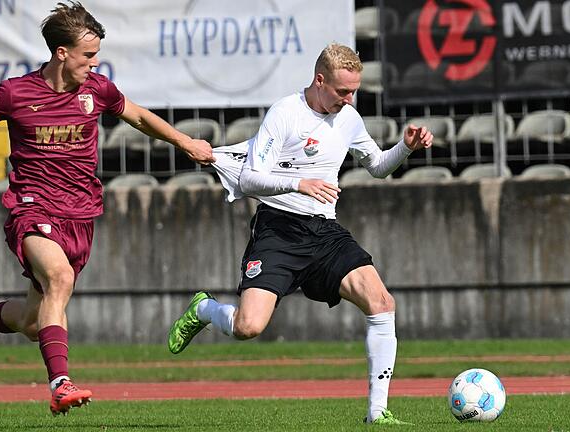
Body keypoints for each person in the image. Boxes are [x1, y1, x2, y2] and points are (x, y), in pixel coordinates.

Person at [0, 1, 214, 416]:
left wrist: (184, 142)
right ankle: (60, 384)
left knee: (35, 323)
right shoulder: (15, 93)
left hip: (80, 216)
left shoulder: (98, 90)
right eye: (88, 56)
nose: (95, 64)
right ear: (62, 53)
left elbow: (138, 116)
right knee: (59, 277)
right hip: (31, 210)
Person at [167, 43, 433, 425]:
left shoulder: (349, 118)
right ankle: (205, 309)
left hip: (324, 232)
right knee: (248, 327)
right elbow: (249, 177)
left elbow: (376, 166)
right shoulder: (285, 112)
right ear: (319, 80)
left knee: (381, 302)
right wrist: (299, 184)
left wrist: (405, 148)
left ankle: (378, 412)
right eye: (343, 91)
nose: (349, 98)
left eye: (354, 90)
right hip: (278, 229)